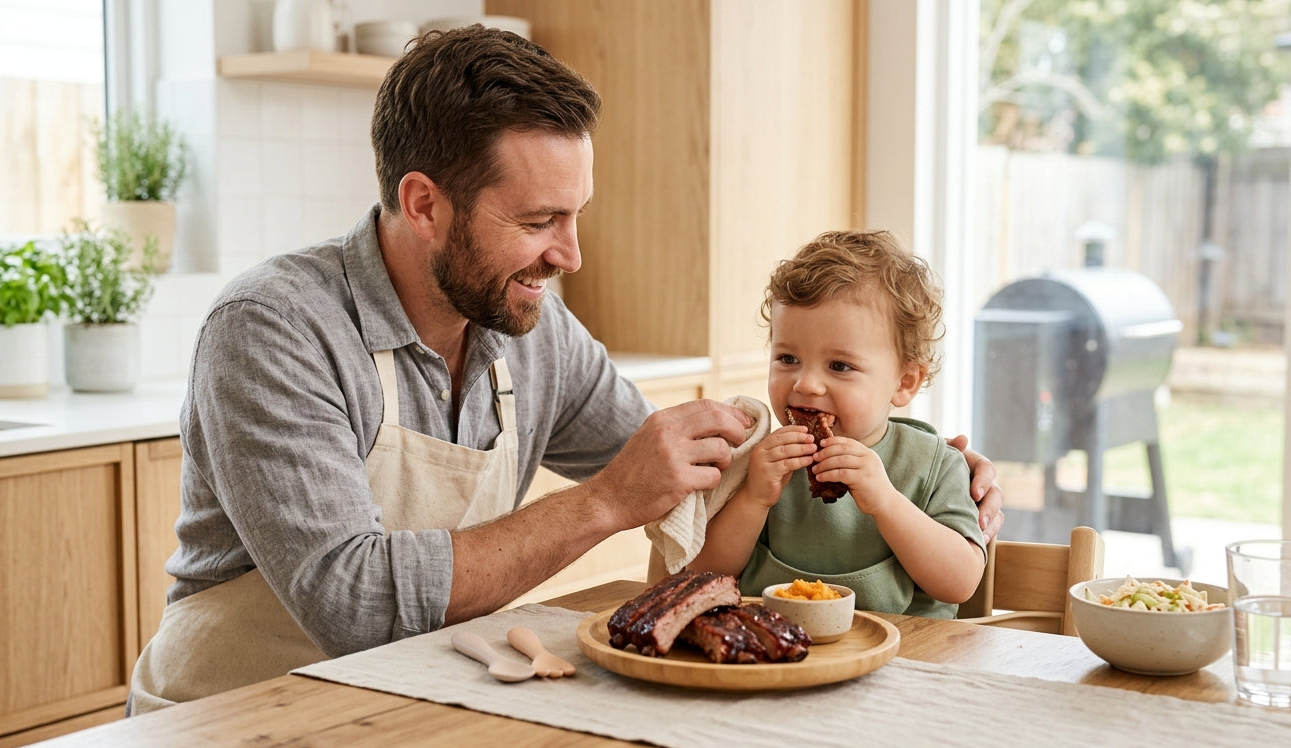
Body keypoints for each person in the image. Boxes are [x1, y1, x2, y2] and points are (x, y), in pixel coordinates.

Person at [127, 27, 1002, 713]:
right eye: (541, 219)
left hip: (412, 700)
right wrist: (603, 503)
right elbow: (353, 604)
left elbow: (695, 471)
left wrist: (921, 474)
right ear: (424, 204)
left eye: (576, 214)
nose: (571, 255)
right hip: (237, 719)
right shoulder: (276, 330)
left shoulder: (528, 329)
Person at [688, 230, 986, 617]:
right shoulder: (754, 457)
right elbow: (700, 578)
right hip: (769, 653)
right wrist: (754, 498)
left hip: (906, 662)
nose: (805, 383)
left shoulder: (934, 463)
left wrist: (885, 501)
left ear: (904, 381)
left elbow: (960, 582)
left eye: (840, 366)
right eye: (788, 358)